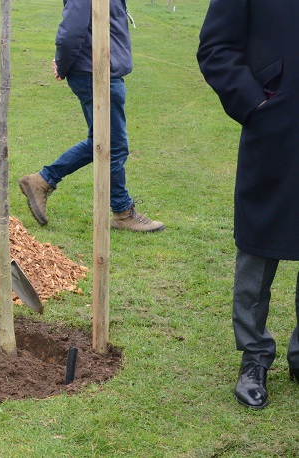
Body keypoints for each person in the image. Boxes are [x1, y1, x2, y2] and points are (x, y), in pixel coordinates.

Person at [198, 0, 299, 409]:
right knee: (259, 244)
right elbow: (216, 46)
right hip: (275, 126)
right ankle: (254, 357)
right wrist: (256, 103)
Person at [18, 0, 164, 232]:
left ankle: (41, 180)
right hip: (96, 74)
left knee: (101, 141)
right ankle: (123, 212)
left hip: (102, 71)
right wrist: (62, 65)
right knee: (113, 145)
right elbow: (70, 32)